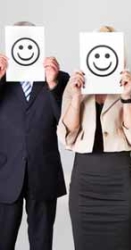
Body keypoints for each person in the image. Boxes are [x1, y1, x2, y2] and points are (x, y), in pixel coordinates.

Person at [57, 26, 131, 250]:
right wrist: (77, 98)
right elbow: (67, 137)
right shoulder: (74, 86)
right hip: (84, 184)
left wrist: (126, 98)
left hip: (120, 183)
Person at [0, 21, 69, 250]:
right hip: (5, 175)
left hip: (44, 173)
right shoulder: (2, 82)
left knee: (41, 244)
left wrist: (53, 85)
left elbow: (67, 124)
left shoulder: (59, 79)